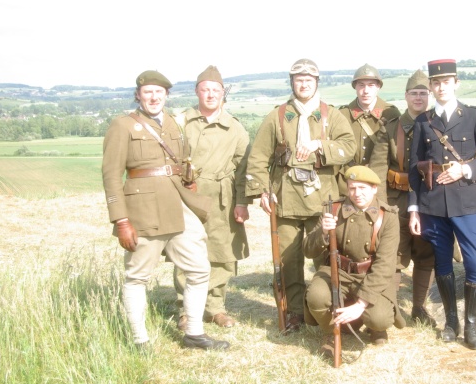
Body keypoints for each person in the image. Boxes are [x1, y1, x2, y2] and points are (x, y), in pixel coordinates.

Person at [102, 70, 228, 350]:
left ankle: (194, 333)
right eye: (148, 92)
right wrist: (121, 220)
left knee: (198, 268)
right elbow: (111, 176)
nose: (154, 97)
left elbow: (182, 160)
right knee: (137, 277)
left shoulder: (172, 123)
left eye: (159, 92)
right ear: (138, 95)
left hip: (177, 205)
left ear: (166, 95)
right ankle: (139, 340)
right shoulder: (122, 126)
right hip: (143, 210)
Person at [245, 59, 356, 333]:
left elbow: (349, 146)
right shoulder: (279, 115)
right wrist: (261, 190)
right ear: (292, 82)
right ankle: (294, 312)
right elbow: (258, 156)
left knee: (325, 258)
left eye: (308, 79)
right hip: (287, 198)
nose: (303, 84)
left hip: (322, 199)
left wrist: (321, 144)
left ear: (317, 82)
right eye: (298, 79)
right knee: (288, 259)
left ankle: (322, 310)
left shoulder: (331, 115)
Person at [408, 59, 476, 350]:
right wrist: (414, 207)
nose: (440, 87)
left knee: (474, 260)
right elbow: (414, 167)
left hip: (466, 201)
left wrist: (467, 170)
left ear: (456, 84)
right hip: (433, 204)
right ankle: (451, 321)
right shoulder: (423, 122)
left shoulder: (474, 116)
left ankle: (472, 325)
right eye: (435, 83)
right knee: (443, 262)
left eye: (446, 82)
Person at [174, 65, 250, 331]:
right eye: (205, 89)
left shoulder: (235, 127)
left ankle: (215, 306)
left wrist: (242, 202)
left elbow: (244, 168)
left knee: (222, 251)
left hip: (223, 196)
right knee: (186, 249)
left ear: (223, 94)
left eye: (215, 90)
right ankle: (186, 308)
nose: (210, 95)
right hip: (188, 193)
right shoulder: (180, 122)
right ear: (196, 92)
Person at [304, 166, 400, 358]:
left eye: (363, 188)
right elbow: (308, 250)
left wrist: (361, 304)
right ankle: (331, 332)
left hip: (371, 274)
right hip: (338, 270)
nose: (357, 194)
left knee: (379, 318)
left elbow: (385, 265)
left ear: (374, 189)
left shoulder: (388, 217)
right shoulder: (332, 209)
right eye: (352, 188)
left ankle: (374, 328)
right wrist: (322, 232)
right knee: (316, 297)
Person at [384, 69, 437, 325]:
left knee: (427, 254)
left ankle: (419, 307)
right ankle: (391, 308)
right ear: (406, 96)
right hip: (396, 198)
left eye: (423, 93)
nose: (419, 98)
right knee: (393, 254)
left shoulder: (438, 125)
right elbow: (377, 167)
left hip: (428, 199)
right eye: (414, 93)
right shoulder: (391, 128)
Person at [337, 63, 400, 202]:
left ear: (378, 87)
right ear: (355, 87)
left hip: (379, 182)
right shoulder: (343, 114)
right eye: (361, 85)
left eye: (371, 85)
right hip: (349, 182)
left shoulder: (390, 113)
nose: (366, 91)